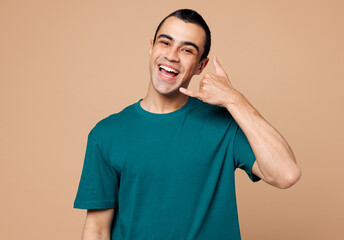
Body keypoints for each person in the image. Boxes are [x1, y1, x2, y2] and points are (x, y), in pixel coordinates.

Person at [73, 9, 301, 240]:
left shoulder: (223, 125)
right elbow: (97, 230)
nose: (172, 55)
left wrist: (235, 100)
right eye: (165, 42)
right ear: (151, 47)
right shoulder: (107, 134)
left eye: (187, 50)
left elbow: (286, 174)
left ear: (201, 66)